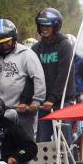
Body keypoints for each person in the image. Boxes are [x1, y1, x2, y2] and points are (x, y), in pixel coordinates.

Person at [0, 18, 45, 140]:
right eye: (0, 43)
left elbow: (38, 78)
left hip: (21, 111)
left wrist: (36, 101)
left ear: (14, 38)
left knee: (25, 144)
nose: (4, 45)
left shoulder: (26, 54)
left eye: (7, 41)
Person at [30, 8, 75, 145]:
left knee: (64, 144)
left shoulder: (64, 46)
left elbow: (63, 75)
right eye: (42, 25)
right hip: (44, 105)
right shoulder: (35, 49)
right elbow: (31, 76)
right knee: (41, 143)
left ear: (55, 26)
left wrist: (53, 98)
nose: (44, 29)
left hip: (62, 102)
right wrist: (27, 99)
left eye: (48, 26)